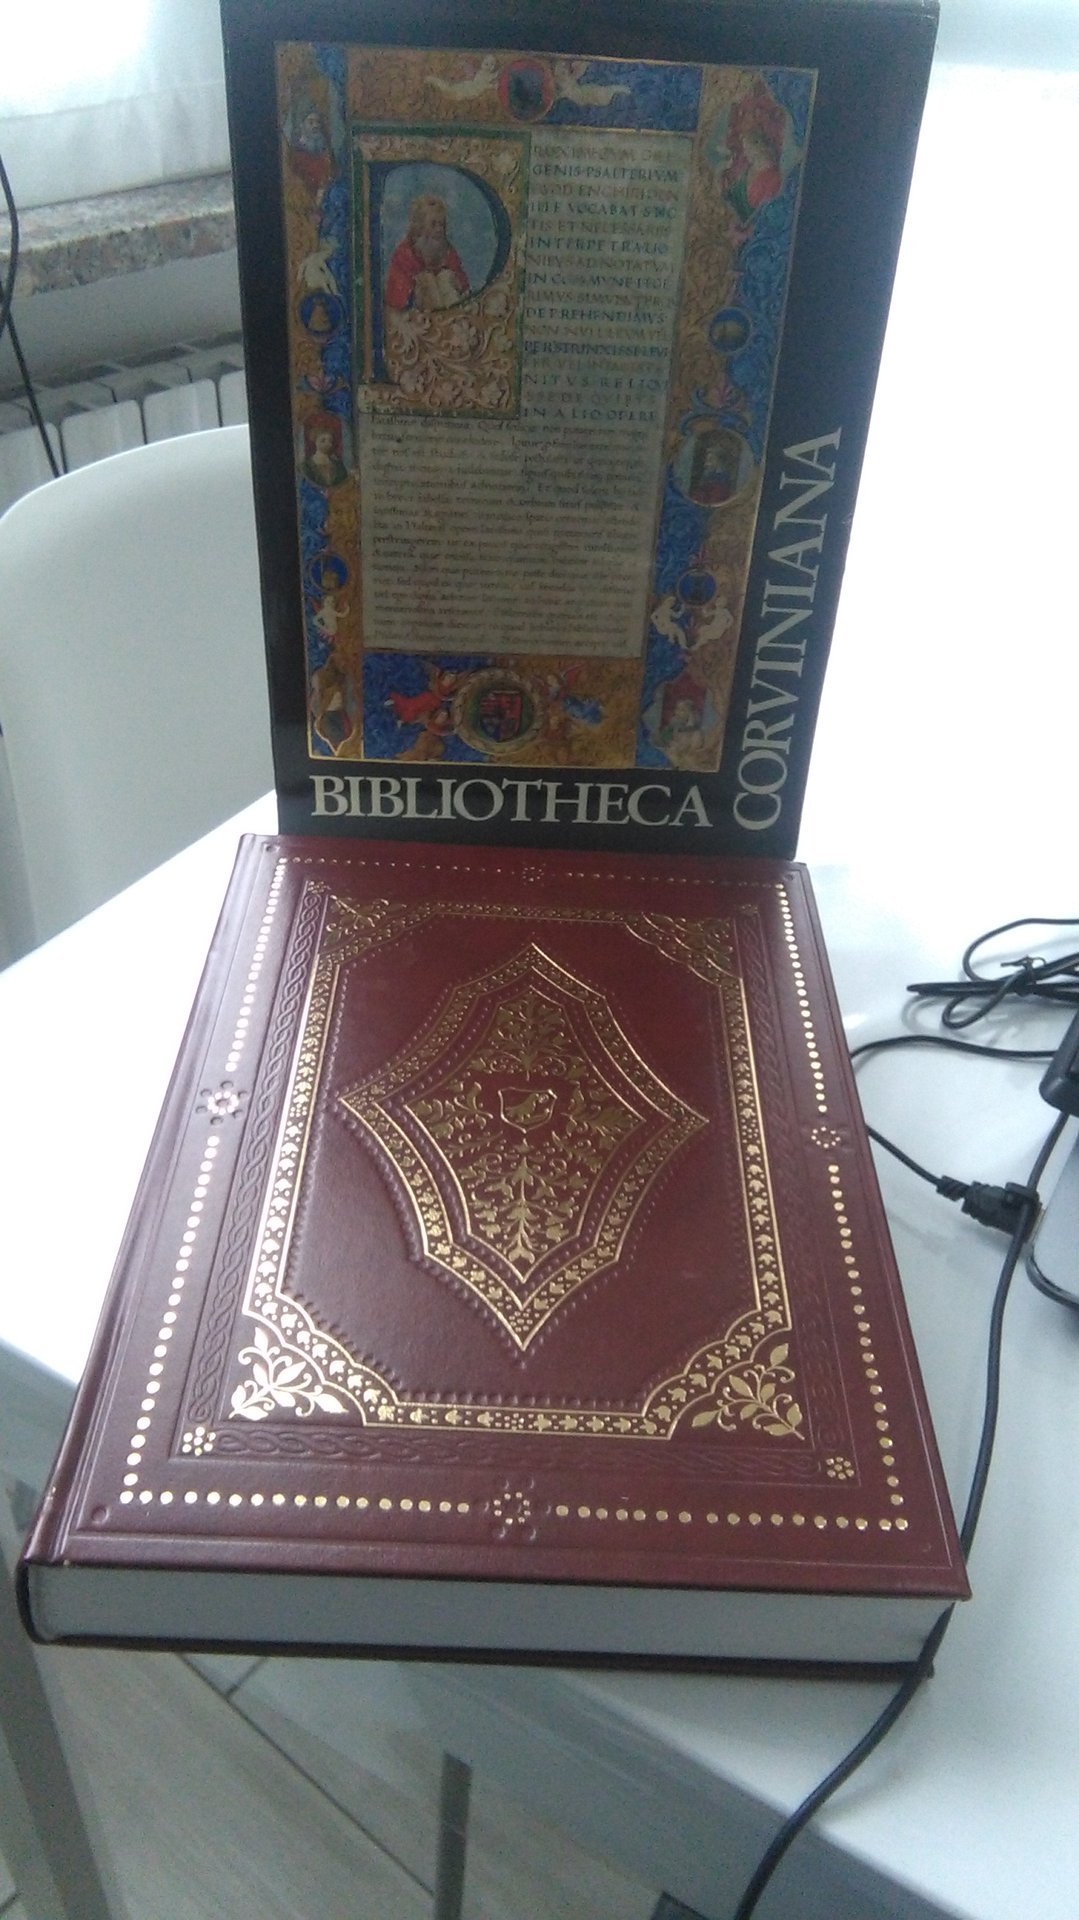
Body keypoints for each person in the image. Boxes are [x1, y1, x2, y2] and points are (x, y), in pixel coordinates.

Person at [385, 195, 470, 313]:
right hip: (415, 313)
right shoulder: (404, 254)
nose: (439, 229)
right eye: (433, 224)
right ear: (420, 227)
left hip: (449, 310)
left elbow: (463, 284)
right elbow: (397, 298)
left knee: (445, 277)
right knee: (426, 280)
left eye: (441, 224)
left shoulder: (447, 250)